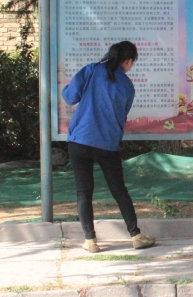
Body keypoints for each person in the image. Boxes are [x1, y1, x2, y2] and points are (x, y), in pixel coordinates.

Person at [62, 40, 156, 252]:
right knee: (119, 190)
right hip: (107, 144)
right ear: (128, 61)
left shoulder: (91, 70)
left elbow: (69, 97)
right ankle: (135, 236)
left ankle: (90, 241)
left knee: (83, 192)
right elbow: (122, 115)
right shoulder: (127, 86)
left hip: (79, 140)